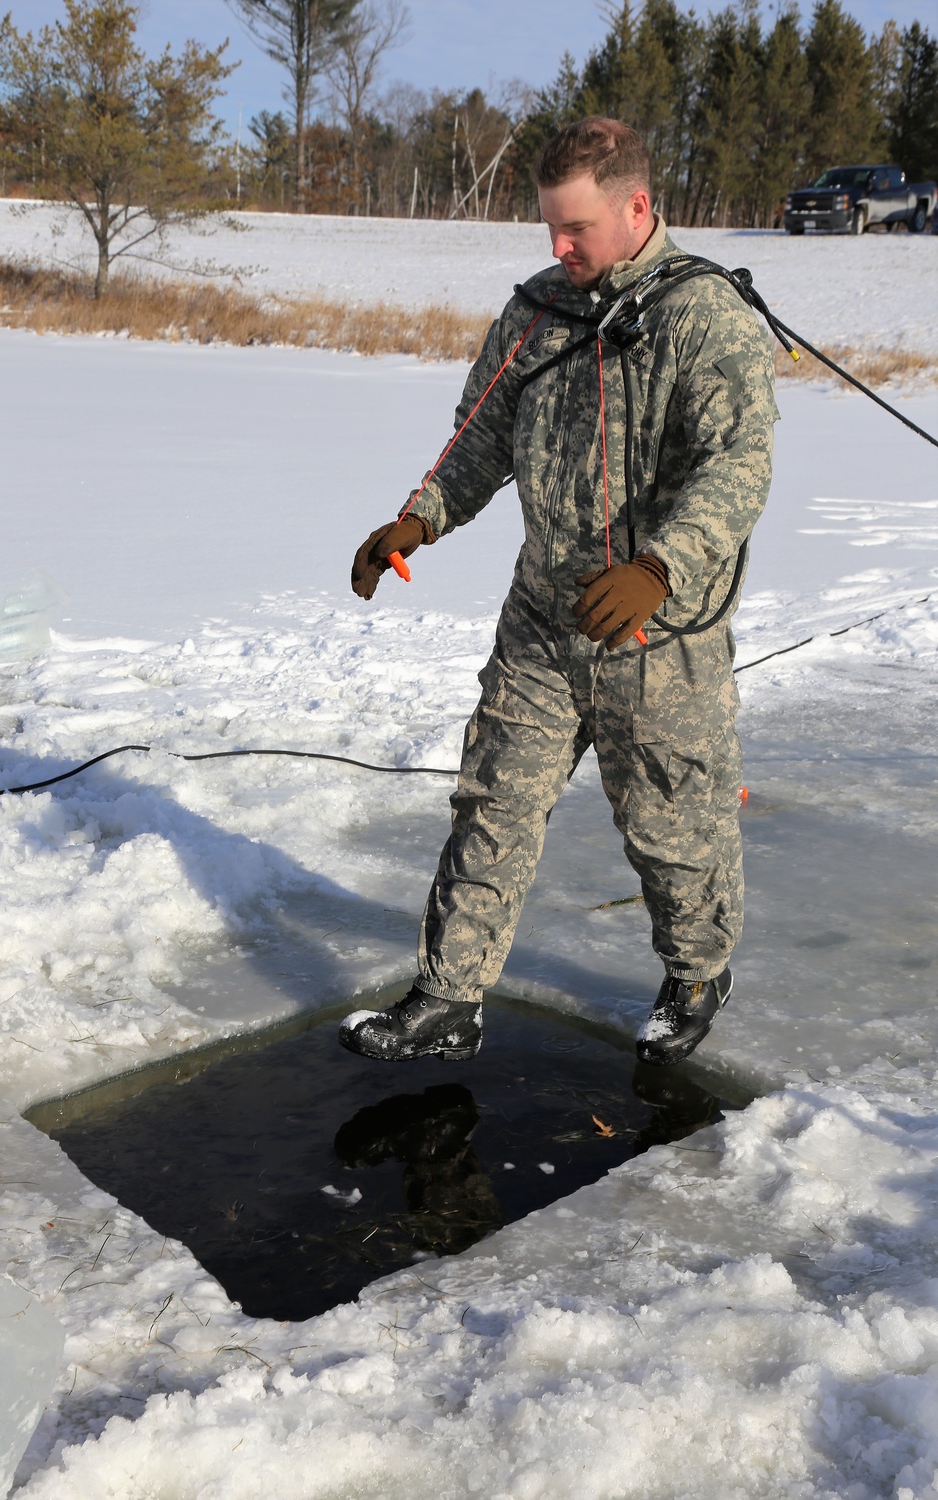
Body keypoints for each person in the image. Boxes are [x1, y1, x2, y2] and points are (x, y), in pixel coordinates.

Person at [339, 118, 778, 1069]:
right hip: (543, 617)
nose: (558, 247)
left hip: (659, 631)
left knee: (674, 826)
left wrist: (660, 568)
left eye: (576, 228)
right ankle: (449, 995)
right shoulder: (538, 310)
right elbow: (481, 435)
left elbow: (735, 468)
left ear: (637, 208)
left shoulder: (704, 319)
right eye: (548, 227)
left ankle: (698, 973)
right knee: (491, 801)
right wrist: (417, 519)